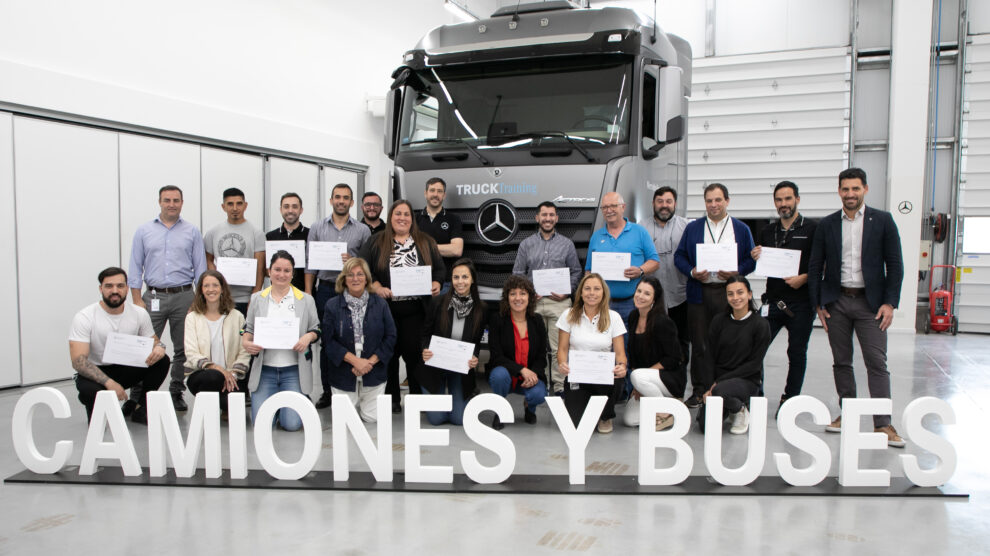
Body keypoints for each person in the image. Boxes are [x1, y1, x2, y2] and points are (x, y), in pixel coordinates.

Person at [808, 167, 905, 447]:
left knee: (876, 363)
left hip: (870, 304)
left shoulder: (883, 221)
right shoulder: (827, 225)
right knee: (842, 361)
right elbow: (815, 266)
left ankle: (882, 423)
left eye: (855, 188)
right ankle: (847, 414)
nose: (850, 194)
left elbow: (895, 265)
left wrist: (890, 303)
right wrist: (818, 303)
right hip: (836, 302)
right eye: (845, 189)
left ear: (865, 189)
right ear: (839, 191)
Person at [359, 200, 445, 413]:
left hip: (416, 310)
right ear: (390, 217)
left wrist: (436, 283)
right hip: (385, 310)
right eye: (398, 213)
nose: (402, 218)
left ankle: (416, 399)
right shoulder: (376, 241)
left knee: (414, 354)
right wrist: (377, 286)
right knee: (388, 355)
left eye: (407, 214)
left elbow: (440, 270)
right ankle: (392, 400)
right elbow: (363, 268)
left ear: (412, 219)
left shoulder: (425, 241)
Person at [674, 183, 756, 409]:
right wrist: (692, 272)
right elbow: (679, 256)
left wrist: (736, 272)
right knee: (699, 344)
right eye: (709, 200)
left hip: (728, 295)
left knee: (728, 344)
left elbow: (751, 260)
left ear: (727, 201)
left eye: (718, 200)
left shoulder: (741, 229)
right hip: (699, 293)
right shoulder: (693, 228)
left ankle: (723, 389)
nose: (713, 204)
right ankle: (699, 391)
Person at [128, 185, 207, 411]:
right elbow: (135, 266)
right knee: (144, 345)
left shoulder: (192, 231)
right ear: (159, 202)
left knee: (183, 348)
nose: (171, 204)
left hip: (184, 296)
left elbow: (201, 268)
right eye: (167, 200)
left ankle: (176, 391)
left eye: (176, 200)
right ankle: (137, 395)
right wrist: (137, 299)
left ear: (181, 203)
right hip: (152, 296)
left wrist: (197, 300)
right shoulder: (144, 231)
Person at [750, 181, 817, 416]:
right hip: (773, 301)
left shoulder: (812, 229)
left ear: (797, 199)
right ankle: (756, 396)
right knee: (755, 348)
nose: (783, 204)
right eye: (779, 200)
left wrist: (804, 278)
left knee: (796, 353)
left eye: (788, 199)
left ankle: (790, 400)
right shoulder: (768, 231)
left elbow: (822, 265)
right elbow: (763, 262)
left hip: (801, 303)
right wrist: (756, 255)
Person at [70, 267, 169, 424]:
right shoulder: (85, 317)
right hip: (97, 370)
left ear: (127, 288)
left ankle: (141, 407)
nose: (115, 291)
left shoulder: (139, 313)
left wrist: (160, 347)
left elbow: (154, 341)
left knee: (162, 360)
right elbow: (78, 361)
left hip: (125, 368)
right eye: (109, 286)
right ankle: (98, 412)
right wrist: (109, 383)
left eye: (120, 286)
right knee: (89, 392)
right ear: (101, 289)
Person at [305, 183, 372, 409]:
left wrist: (352, 261)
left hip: (352, 289)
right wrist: (309, 294)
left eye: (345, 198)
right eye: (337, 197)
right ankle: (327, 391)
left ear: (351, 202)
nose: (341, 201)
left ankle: (355, 388)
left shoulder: (363, 230)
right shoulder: (317, 227)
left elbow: (366, 265)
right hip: (325, 289)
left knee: (355, 339)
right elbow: (310, 264)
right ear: (331, 200)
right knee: (327, 342)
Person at [242, 251, 320, 431]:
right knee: (262, 425)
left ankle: (290, 404)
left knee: (291, 425)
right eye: (277, 269)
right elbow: (247, 328)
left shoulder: (306, 300)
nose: (281, 274)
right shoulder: (257, 298)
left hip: (294, 370)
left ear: (293, 274)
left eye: (287, 270)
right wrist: (246, 341)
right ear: (269, 271)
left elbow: (317, 329)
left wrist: (308, 337)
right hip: (265, 370)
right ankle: (278, 405)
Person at [511, 200, 582, 396]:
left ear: (556, 218)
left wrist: (567, 291)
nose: (548, 218)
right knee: (535, 346)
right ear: (537, 218)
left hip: (560, 303)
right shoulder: (526, 244)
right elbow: (518, 273)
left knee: (560, 346)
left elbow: (576, 272)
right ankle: (539, 382)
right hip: (533, 303)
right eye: (544, 215)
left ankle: (559, 387)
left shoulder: (567, 244)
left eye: (551, 215)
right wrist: (528, 292)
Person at [321, 257, 396, 422]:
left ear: (367, 278)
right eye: (350, 275)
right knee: (346, 421)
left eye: (360, 274)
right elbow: (328, 341)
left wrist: (369, 363)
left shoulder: (381, 304)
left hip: (373, 370)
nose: (355, 279)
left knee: (372, 418)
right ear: (344, 279)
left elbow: (390, 337)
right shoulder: (332, 305)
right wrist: (355, 361)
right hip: (343, 371)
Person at [696, 276, 771, 435]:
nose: (735, 298)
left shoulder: (760, 325)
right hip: (718, 383)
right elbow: (709, 356)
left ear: (749, 294)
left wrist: (718, 383)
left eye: (740, 292)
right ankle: (730, 406)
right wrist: (708, 386)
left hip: (746, 380)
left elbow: (754, 365)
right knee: (705, 427)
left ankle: (739, 409)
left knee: (720, 391)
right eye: (730, 294)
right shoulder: (719, 321)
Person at [557, 273, 628, 434]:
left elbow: (620, 353)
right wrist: (562, 364)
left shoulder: (614, 317)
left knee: (618, 378)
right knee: (576, 425)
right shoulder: (568, 315)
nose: (591, 293)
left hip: (603, 378)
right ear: (581, 292)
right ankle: (588, 405)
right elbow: (562, 349)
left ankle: (605, 416)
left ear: (603, 293)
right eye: (587, 288)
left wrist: (622, 366)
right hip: (578, 376)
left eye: (597, 289)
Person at [418, 258, 486, 426]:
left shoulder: (481, 309)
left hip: (460, 368)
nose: (460, 282)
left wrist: (474, 357)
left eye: (465, 277)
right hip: (435, 366)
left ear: (472, 279)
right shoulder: (437, 303)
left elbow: (476, 342)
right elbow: (425, 334)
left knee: (458, 419)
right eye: (456, 277)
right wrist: (425, 349)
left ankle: (466, 395)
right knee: (437, 419)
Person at [620, 276, 685, 431]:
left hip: (668, 378)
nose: (640, 296)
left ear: (654, 299)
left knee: (637, 376)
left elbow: (674, 358)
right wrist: (639, 385)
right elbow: (633, 356)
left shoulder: (663, 322)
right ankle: (670, 405)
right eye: (639, 291)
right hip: (645, 379)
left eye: (647, 293)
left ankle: (666, 412)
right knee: (630, 420)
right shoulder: (634, 316)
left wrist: (642, 377)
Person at [183, 270, 251, 414]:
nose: (211, 289)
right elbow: (191, 352)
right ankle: (209, 412)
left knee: (234, 407)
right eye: (206, 286)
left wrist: (232, 374)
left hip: (231, 376)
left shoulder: (237, 316)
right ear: (201, 290)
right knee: (213, 376)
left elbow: (244, 350)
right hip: (202, 375)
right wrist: (218, 369)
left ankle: (216, 407)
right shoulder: (192, 318)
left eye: (215, 285)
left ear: (222, 289)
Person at [585, 192, 660, 323]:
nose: (609, 210)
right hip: (602, 303)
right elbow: (588, 271)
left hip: (632, 303)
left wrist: (640, 270)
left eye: (613, 206)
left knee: (630, 336)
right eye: (605, 207)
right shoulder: (596, 237)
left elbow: (655, 262)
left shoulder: (640, 232)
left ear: (623, 207)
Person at [486, 275, 548, 430]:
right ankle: (500, 410)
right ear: (507, 297)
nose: (518, 298)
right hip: (506, 376)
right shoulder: (497, 319)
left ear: (530, 297)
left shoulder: (537, 320)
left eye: (523, 293)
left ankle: (529, 408)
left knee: (539, 394)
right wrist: (521, 370)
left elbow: (541, 356)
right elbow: (496, 357)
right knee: (499, 375)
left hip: (528, 377)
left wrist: (533, 375)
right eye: (513, 293)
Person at [640, 186, 690, 363]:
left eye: (669, 201)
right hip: (651, 298)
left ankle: (679, 378)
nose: (664, 205)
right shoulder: (641, 228)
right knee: (652, 341)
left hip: (680, 296)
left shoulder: (686, 227)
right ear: (653, 204)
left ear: (675, 204)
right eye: (660, 201)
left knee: (681, 342)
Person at [204, 187, 266, 315]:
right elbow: (207, 259)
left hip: (246, 298)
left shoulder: (257, 233)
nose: (235, 208)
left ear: (245, 205)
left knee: (244, 329)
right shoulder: (212, 232)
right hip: (220, 296)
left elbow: (260, 268)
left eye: (239, 203)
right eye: (230, 204)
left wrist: (254, 297)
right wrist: (217, 277)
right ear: (223, 207)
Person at [415, 177, 463, 290]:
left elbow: (457, 250)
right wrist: (444, 249)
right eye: (432, 190)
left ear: (444, 195)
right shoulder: (414, 219)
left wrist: (425, 247)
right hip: (418, 280)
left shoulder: (454, 219)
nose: (435, 194)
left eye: (439, 191)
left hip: (446, 282)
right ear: (425, 193)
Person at [266, 192, 310, 291]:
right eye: (286, 207)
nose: (290, 210)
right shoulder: (270, 237)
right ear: (281, 210)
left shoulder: (310, 235)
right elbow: (266, 270)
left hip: (304, 293)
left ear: (301, 210)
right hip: (277, 293)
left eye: (295, 207)